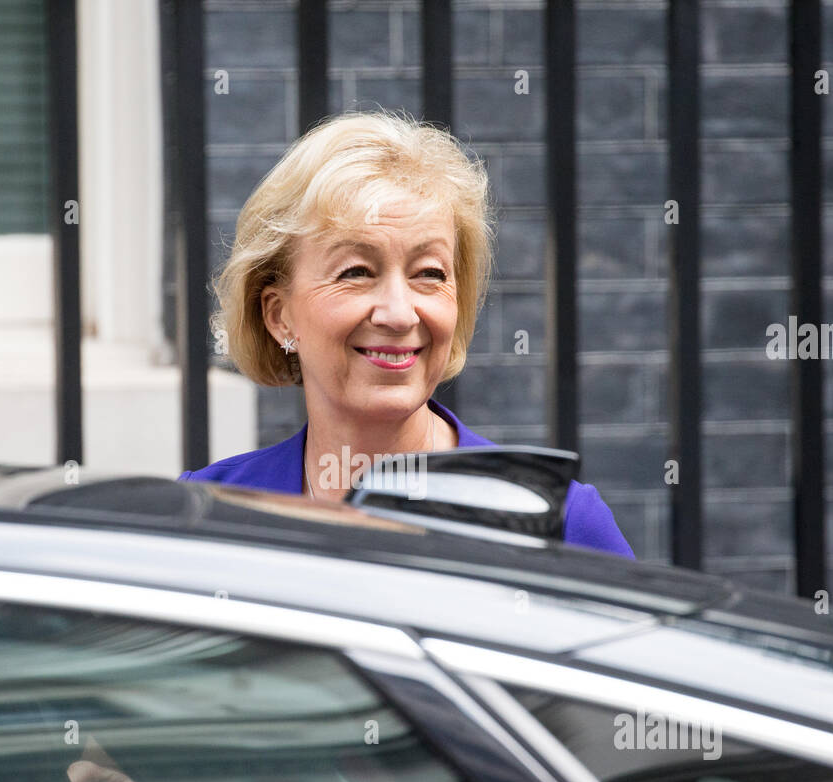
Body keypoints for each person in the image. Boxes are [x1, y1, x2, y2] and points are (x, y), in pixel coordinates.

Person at [177, 110, 632, 556]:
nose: (399, 314)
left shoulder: (563, 522)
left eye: (428, 273)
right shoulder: (206, 514)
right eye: (356, 271)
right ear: (280, 316)